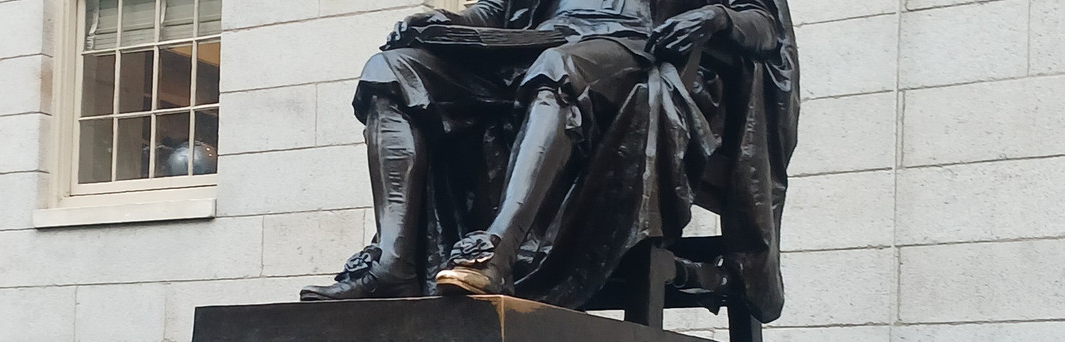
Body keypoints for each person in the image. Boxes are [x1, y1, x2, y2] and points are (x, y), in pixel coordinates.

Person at [301, 0, 798, 325]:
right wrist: (449, 22)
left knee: (558, 68)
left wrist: (716, 18)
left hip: (631, 51)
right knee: (391, 70)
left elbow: (765, 26)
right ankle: (394, 264)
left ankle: (496, 252)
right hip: (531, 48)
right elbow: (499, 9)